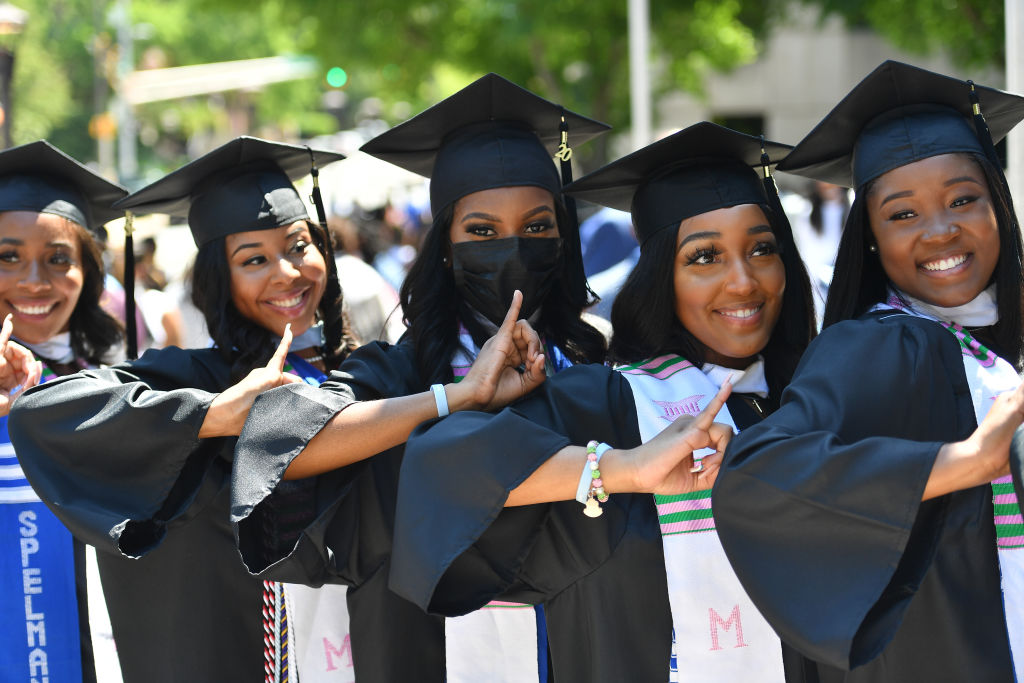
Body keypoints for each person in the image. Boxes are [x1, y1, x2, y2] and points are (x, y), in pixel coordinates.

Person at [8, 136, 533, 683]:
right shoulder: (199, 377)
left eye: (299, 246)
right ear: (218, 277)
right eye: (253, 259)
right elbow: (44, 412)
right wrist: (215, 416)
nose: (287, 272)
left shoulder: (378, 371)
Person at [392, 122, 817, 682]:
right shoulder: (612, 401)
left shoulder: (818, 396)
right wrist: (623, 467)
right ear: (660, 274)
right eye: (704, 257)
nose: (743, 281)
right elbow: (440, 467)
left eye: (762, 249)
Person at [229, 73, 609, 683]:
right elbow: (278, 446)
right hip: (427, 653)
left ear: (564, 238)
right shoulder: (401, 369)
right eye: (481, 232)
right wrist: (454, 397)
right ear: (446, 247)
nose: (513, 249)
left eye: (538, 227)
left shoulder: (601, 363)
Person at [714, 60, 1024, 682]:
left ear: (999, 206)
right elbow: (758, 479)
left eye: (964, 199)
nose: (941, 231)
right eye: (903, 214)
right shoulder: (877, 347)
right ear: (872, 238)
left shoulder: (1004, 340)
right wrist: (961, 463)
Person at [0, 140, 127, 682]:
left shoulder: (119, 385)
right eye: (7, 256)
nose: (34, 281)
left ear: (87, 272)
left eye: (58, 259)